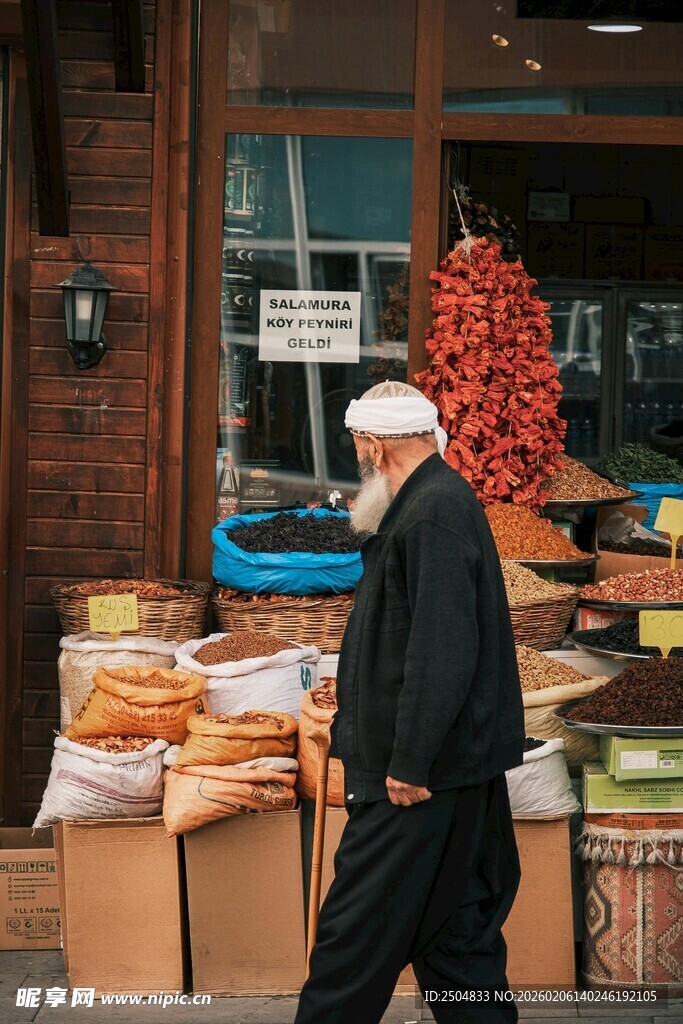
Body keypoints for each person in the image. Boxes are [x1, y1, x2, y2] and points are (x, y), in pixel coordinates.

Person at [295, 381, 525, 1024]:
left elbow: (442, 649)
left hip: (420, 779)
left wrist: (409, 764)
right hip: (448, 771)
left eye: (359, 444)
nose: (360, 456)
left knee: (350, 944)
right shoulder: (429, 501)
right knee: (458, 944)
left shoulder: (432, 511)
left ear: (373, 445)